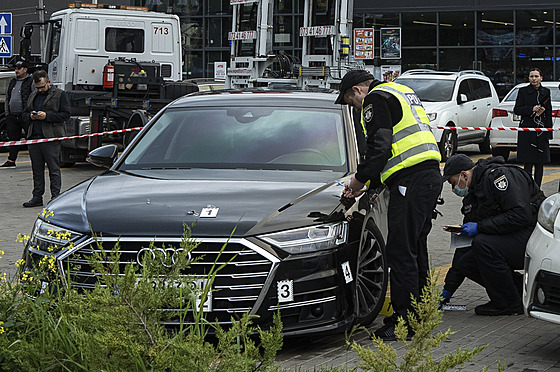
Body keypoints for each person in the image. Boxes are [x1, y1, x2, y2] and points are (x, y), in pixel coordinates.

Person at [336, 70, 442, 340]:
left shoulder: (375, 98)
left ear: (358, 91)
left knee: (400, 251)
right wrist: (373, 183)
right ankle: (419, 313)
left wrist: (358, 181)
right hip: (427, 175)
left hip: (412, 179)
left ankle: (404, 322)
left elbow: (380, 148)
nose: (354, 107)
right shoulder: (401, 91)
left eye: (351, 101)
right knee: (415, 247)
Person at [442, 154, 545, 316]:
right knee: (465, 262)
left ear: (464, 175)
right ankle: (518, 292)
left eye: (453, 183)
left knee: (483, 244)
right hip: (512, 236)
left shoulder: (499, 178)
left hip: (535, 238)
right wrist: (448, 289)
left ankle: (508, 304)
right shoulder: (473, 194)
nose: (453, 188)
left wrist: (480, 227)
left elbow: (520, 215)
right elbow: (464, 243)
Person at [22, 70, 71, 208]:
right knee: (37, 170)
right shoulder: (33, 95)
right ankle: (37, 196)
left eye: (42, 87)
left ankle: (55, 196)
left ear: (48, 82)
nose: (40, 90)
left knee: (53, 169)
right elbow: (24, 114)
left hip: (51, 138)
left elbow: (66, 115)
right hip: (34, 138)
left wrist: (47, 116)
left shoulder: (60, 94)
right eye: (37, 87)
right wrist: (30, 116)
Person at [513, 68, 552, 187]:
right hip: (527, 131)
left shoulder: (546, 92)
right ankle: (527, 188)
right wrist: (531, 109)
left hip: (541, 131)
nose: (534, 79)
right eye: (531, 76)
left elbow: (549, 112)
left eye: (536, 76)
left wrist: (548, 132)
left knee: (540, 163)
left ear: (541, 78)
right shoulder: (523, 91)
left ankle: (537, 189)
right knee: (528, 163)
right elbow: (517, 109)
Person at [1, 60, 34, 168]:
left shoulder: (30, 81)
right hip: (12, 115)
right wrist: (7, 112)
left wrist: (29, 112)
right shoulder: (13, 81)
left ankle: (36, 160)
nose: (16, 71)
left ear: (25, 70)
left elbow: (34, 97)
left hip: (25, 115)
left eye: (18, 69)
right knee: (13, 139)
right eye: (15, 69)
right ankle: (11, 160)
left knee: (31, 137)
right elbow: (7, 97)